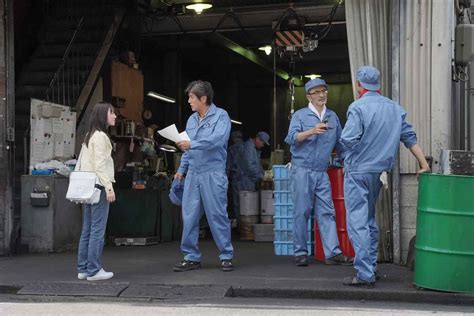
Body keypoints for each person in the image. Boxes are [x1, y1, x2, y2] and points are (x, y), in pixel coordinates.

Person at [340, 65, 430, 287]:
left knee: (358, 221)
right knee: (369, 219)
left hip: (358, 171)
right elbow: (409, 137)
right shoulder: (394, 108)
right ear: (378, 84)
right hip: (380, 173)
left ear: (359, 84)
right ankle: (370, 267)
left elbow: (348, 139)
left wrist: (350, 153)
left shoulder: (357, 107)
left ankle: (364, 274)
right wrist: (424, 163)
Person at [285, 78, 353, 267]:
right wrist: (311, 131)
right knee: (302, 211)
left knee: (327, 212)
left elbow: (340, 144)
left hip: (321, 171)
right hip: (302, 170)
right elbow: (291, 138)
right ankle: (300, 252)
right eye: (317, 92)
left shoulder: (332, 116)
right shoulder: (300, 115)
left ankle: (333, 253)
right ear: (309, 96)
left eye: (324, 91)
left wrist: (347, 162)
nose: (322, 94)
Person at [174, 80, 234, 272]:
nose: (189, 101)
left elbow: (217, 140)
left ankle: (226, 255)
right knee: (189, 216)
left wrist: (192, 145)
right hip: (193, 173)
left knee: (217, 214)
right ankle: (191, 257)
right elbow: (186, 147)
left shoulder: (221, 116)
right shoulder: (191, 120)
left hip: (213, 173)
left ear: (203, 98)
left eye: (191, 97)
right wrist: (181, 170)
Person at [77, 102, 117, 281]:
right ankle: (94, 270)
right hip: (99, 187)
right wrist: (109, 187)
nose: (115, 116)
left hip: (87, 188)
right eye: (112, 113)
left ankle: (83, 268)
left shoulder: (89, 135)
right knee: (97, 231)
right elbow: (101, 165)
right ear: (103, 116)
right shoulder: (101, 137)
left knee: (87, 230)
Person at [229, 131, 269, 229]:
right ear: (258, 139)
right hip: (242, 181)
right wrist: (261, 176)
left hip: (247, 181)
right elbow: (250, 166)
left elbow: (257, 165)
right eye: (263, 143)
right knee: (242, 206)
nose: (263, 145)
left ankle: (245, 229)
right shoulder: (248, 148)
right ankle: (242, 229)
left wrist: (264, 174)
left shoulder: (253, 149)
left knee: (247, 206)